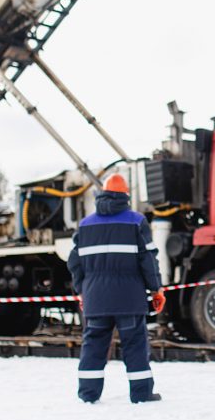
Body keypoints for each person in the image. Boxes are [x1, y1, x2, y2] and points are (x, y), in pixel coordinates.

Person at [67, 173, 166, 404]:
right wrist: (156, 290)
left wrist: (82, 290)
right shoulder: (136, 221)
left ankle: (88, 395)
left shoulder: (85, 225)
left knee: (93, 347)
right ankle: (141, 394)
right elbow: (148, 260)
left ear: (101, 194)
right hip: (129, 299)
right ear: (126, 196)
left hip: (95, 299)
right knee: (135, 346)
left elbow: (74, 263)